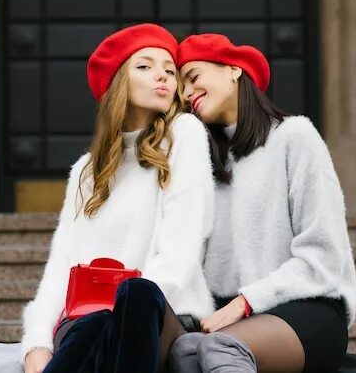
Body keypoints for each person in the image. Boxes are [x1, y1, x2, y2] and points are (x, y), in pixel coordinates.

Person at [21, 24, 215, 373]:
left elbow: (181, 248)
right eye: (145, 66)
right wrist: (36, 343)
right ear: (118, 82)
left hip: (160, 313)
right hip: (88, 321)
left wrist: (119, 307)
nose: (163, 76)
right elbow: (60, 267)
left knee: (136, 294)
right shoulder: (86, 172)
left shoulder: (184, 136)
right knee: (94, 324)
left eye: (170, 70)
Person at [170, 33, 356, 373]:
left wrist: (246, 302)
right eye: (180, 87)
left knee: (221, 348)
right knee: (186, 350)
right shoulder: (203, 161)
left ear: (233, 70)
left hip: (304, 306)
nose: (186, 93)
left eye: (193, 77)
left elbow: (324, 257)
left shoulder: (294, 136)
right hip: (228, 316)